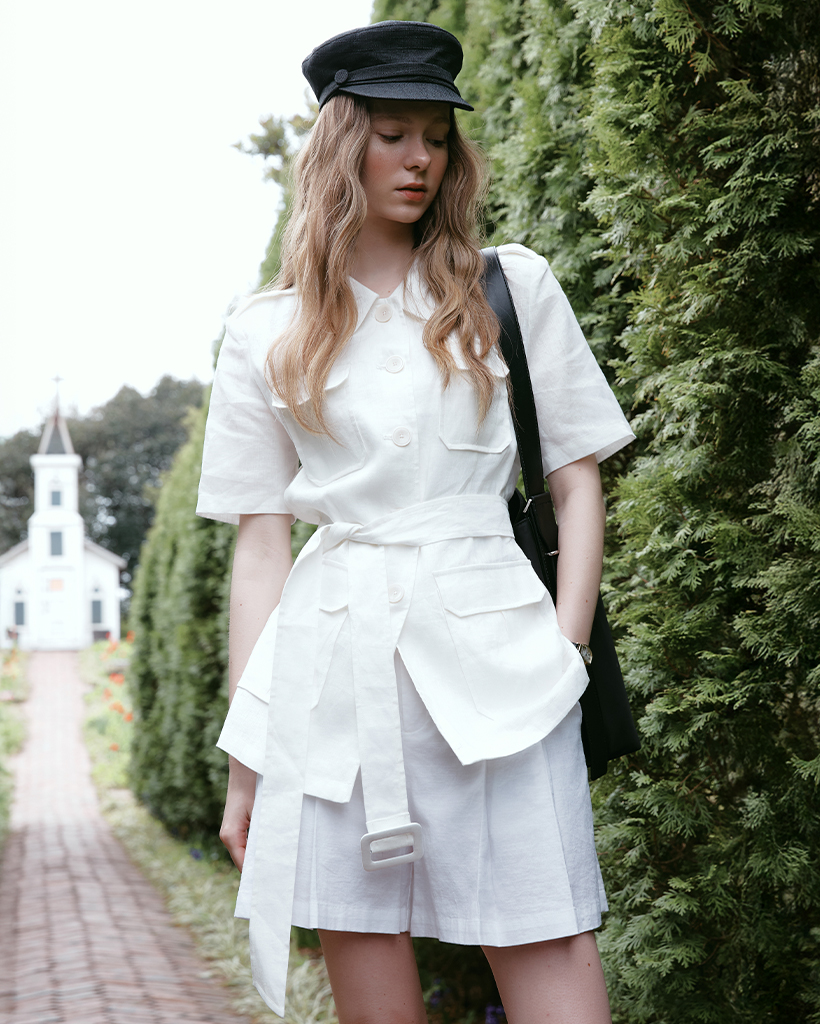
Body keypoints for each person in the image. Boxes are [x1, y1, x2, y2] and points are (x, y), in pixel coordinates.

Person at [197, 20, 634, 1024]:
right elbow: (260, 550)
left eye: (435, 137)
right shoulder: (263, 329)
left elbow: (575, 484)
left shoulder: (508, 286)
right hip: (332, 675)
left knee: (549, 934)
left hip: (504, 666)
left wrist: (566, 650)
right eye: (392, 134)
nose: (420, 159)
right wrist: (246, 760)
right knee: (361, 942)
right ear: (340, 146)